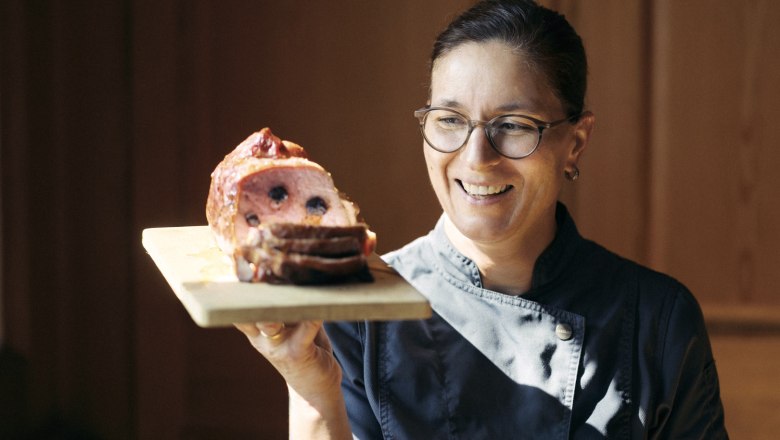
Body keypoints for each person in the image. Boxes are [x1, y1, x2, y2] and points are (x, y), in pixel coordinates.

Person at [236, 0, 729, 438]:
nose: (476, 158)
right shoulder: (360, 309)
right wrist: (310, 388)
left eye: (513, 126)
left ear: (575, 142)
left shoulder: (658, 319)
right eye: (449, 120)